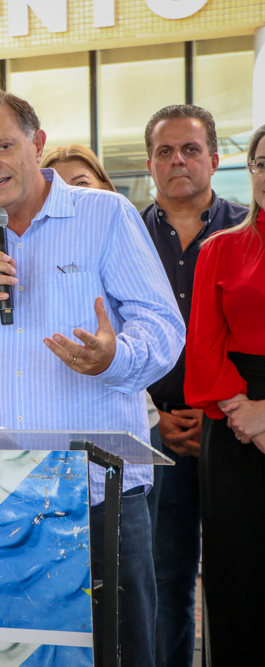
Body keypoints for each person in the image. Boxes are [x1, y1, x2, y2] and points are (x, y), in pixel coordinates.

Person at [0, 89, 185, 667]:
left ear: (36, 144)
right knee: (18, 657)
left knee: (122, 650)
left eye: (4, 146)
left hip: (98, 493)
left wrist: (113, 358)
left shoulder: (106, 216)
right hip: (4, 497)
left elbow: (164, 329)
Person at [140, 105, 246, 667]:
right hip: (155, 431)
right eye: (164, 151)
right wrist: (156, 414)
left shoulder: (246, 232)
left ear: (214, 158)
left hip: (235, 431)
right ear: (150, 163)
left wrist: (216, 414)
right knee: (166, 581)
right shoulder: (126, 234)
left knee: (238, 576)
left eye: (190, 149)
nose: (177, 160)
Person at [42, 145, 166, 534]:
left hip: (122, 445)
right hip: (41, 464)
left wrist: (112, 358)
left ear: (104, 187)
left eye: (80, 184)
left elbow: (158, 327)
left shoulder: (115, 226)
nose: (69, 195)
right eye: (56, 187)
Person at [184, 123, 265, 665]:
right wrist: (249, 417)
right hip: (236, 427)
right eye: (262, 163)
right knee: (241, 586)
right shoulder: (221, 249)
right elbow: (203, 352)